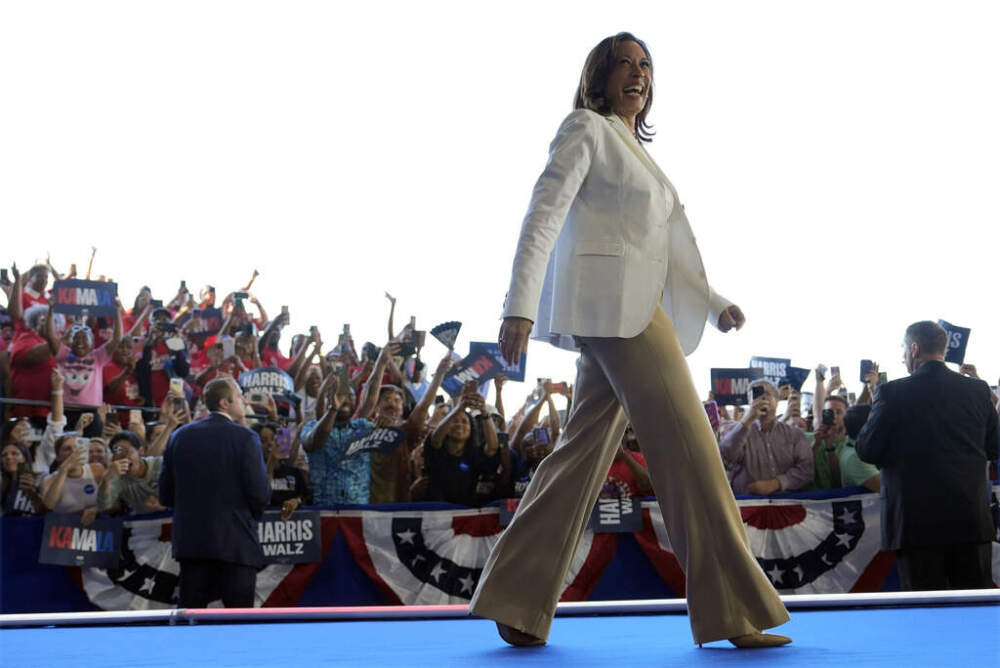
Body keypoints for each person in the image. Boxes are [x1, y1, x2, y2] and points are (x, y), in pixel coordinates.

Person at [470, 33, 790, 649]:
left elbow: (663, 252)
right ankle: (734, 611)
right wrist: (518, 309)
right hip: (620, 315)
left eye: (647, 66)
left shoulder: (638, 154)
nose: (638, 74)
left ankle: (516, 598)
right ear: (599, 75)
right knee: (692, 452)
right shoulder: (584, 128)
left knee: (578, 456)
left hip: (631, 311)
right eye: (626, 63)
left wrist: (715, 303)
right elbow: (542, 214)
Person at [856, 321, 999, 590]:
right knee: (975, 613)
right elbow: (995, 448)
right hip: (970, 521)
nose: (901, 357)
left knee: (924, 613)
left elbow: (867, 450)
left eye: (903, 349)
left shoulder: (891, 393)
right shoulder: (978, 390)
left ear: (914, 348)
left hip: (915, 525)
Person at [158, 377, 270, 608]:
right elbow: (260, 494)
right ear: (224, 403)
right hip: (235, 543)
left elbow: (165, 496)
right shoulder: (246, 437)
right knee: (237, 626)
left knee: (192, 622)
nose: (244, 400)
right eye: (239, 396)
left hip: (192, 545)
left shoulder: (179, 436)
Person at [719, 380, 814, 494]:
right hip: (748, 505)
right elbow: (727, 455)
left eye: (767, 394)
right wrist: (748, 419)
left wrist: (777, 483)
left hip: (786, 505)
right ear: (750, 401)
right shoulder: (735, 430)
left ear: (776, 400)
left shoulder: (795, 434)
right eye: (757, 395)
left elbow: (807, 470)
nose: (762, 398)